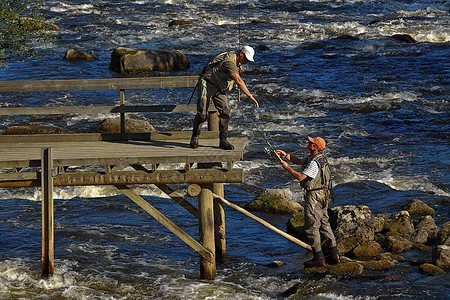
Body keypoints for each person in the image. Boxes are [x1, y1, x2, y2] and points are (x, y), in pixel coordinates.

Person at [276, 136, 340, 268]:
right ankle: (334, 255)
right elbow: (300, 161)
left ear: (316, 147)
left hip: (314, 196)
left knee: (311, 227)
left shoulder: (313, 163)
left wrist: (287, 168)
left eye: (311, 143)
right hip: (324, 194)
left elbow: (300, 177)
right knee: (324, 224)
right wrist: (286, 155)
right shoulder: (319, 159)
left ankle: (318, 258)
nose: (308, 143)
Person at [189, 46, 259, 150]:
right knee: (202, 114)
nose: (246, 62)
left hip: (219, 86)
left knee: (225, 111)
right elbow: (238, 80)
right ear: (241, 54)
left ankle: (223, 140)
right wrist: (250, 96)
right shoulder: (229, 62)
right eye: (246, 59)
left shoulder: (237, 62)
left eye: (248, 61)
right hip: (207, 84)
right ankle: (195, 137)